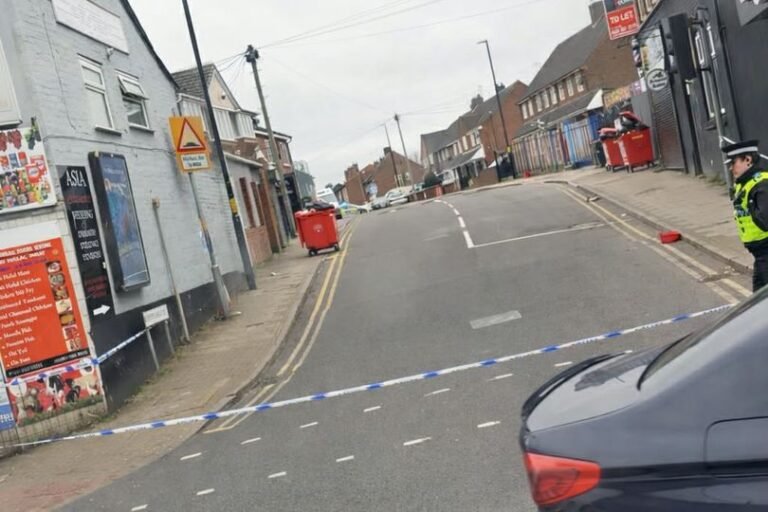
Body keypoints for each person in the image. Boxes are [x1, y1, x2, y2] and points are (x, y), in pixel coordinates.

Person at [724, 140, 768, 291]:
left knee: (760, 298)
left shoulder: (762, 183)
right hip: (759, 253)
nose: (731, 168)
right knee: (758, 299)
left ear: (748, 160)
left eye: (733, 162)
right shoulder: (743, 183)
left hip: (766, 249)